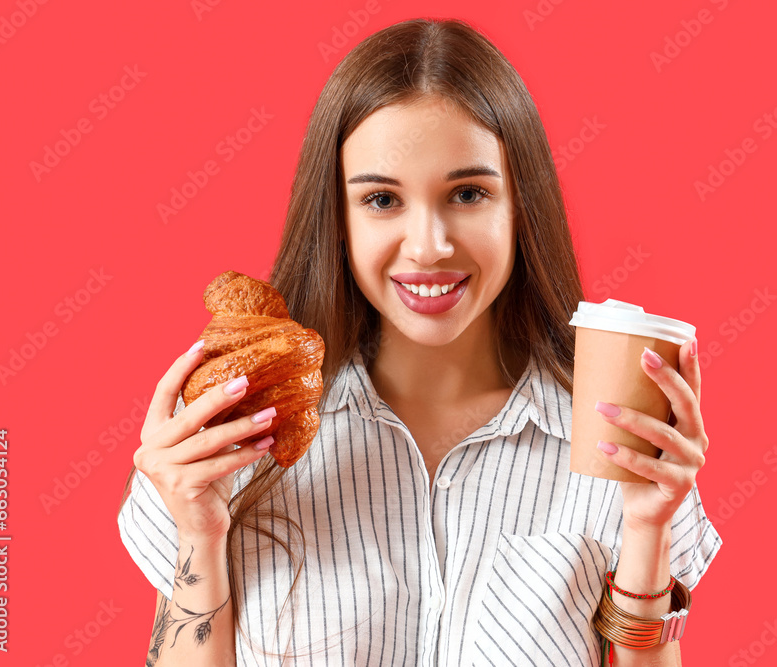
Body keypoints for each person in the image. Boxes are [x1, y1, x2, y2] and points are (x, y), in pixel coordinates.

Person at [117, 17, 721, 667]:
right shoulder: (228, 435)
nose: (429, 245)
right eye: (381, 199)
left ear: (520, 204)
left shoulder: (609, 437)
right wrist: (198, 532)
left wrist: (648, 527)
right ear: (338, 217)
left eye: (467, 193)